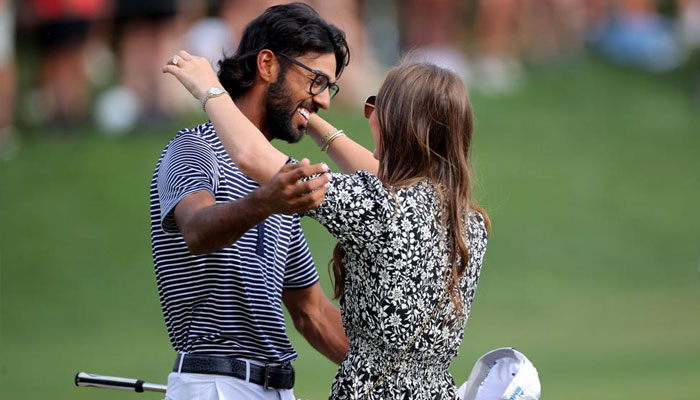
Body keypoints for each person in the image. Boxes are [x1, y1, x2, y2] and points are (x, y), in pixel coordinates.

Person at [164, 45, 490, 399]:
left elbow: (255, 158)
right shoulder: (469, 221)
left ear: (396, 123)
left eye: (374, 107)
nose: (369, 116)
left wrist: (210, 91)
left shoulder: (380, 208)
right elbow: (388, 180)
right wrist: (309, 118)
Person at [150, 3, 350, 400]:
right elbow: (196, 229)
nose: (324, 100)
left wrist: (399, 373)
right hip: (215, 383)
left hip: (274, 388)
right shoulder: (193, 149)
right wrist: (265, 203)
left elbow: (312, 314)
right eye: (316, 81)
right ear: (267, 65)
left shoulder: (276, 181)